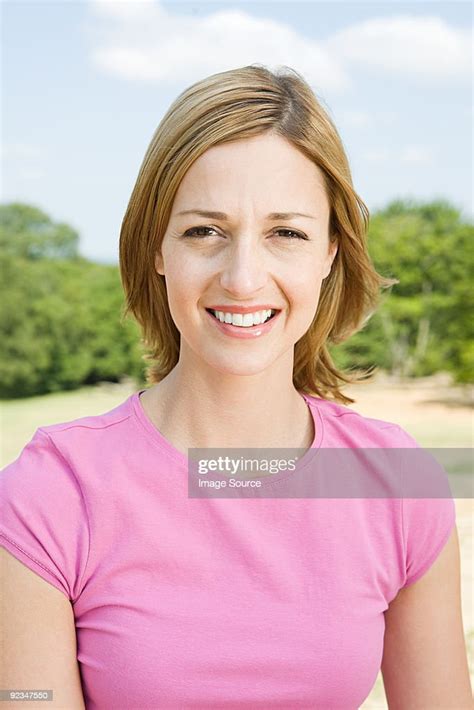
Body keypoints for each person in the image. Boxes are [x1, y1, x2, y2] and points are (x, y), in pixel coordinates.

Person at [1, 64, 472, 709]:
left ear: (330, 252)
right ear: (158, 249)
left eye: (286, 233)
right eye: (204, 231)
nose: (243, 278)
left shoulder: (395, 483)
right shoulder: (51, 494)